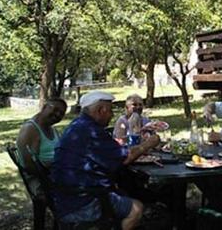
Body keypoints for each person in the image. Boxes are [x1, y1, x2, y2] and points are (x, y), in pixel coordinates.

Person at [51, 91, 160, 230]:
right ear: (100, 110)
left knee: (127, 188)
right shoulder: (91, 131)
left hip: (66, 197)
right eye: (110, 110)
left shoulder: (78, 125)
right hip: (81, 201)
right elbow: (126, 158)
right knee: (136, 208)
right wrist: (149, 143)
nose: (112, 115)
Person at [16, 97, 67, 194]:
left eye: (61, 113)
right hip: (42, 180)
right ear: (44, 107)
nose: (57, 114)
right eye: (55, 110)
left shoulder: (52, 130)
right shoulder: (30, 129)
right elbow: (29, 165)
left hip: (55, 173)